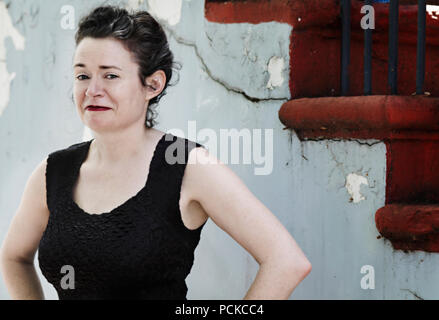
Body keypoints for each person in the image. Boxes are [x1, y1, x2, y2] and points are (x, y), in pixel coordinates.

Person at [0, 5, 311, 300]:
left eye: (110, 75)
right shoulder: (53, 171)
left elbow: (286, 261)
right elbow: (14, 257)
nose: (92, 90)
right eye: (83, 75)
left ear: (152, 84)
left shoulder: (187, 165)